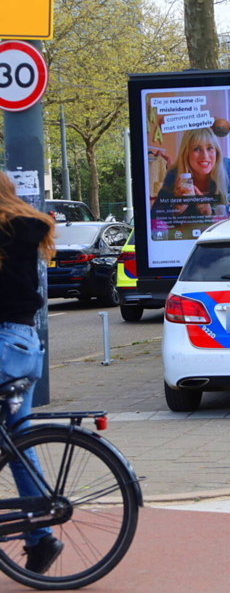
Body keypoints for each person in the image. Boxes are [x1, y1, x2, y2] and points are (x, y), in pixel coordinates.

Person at [0, 174, 64, 574]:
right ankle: (40, 539)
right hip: (26, 343)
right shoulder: (24, 230)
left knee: (18, 442)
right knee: (19, 443)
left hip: (4, 344)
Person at [151, 128, 230, 234]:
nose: (205, 156)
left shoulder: (227, 168)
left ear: (217, 152)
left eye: (210, 148)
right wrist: (177, 209)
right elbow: (154, 219)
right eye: (196, 149)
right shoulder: (174, 174)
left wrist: (211, 213)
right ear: (186, 153)